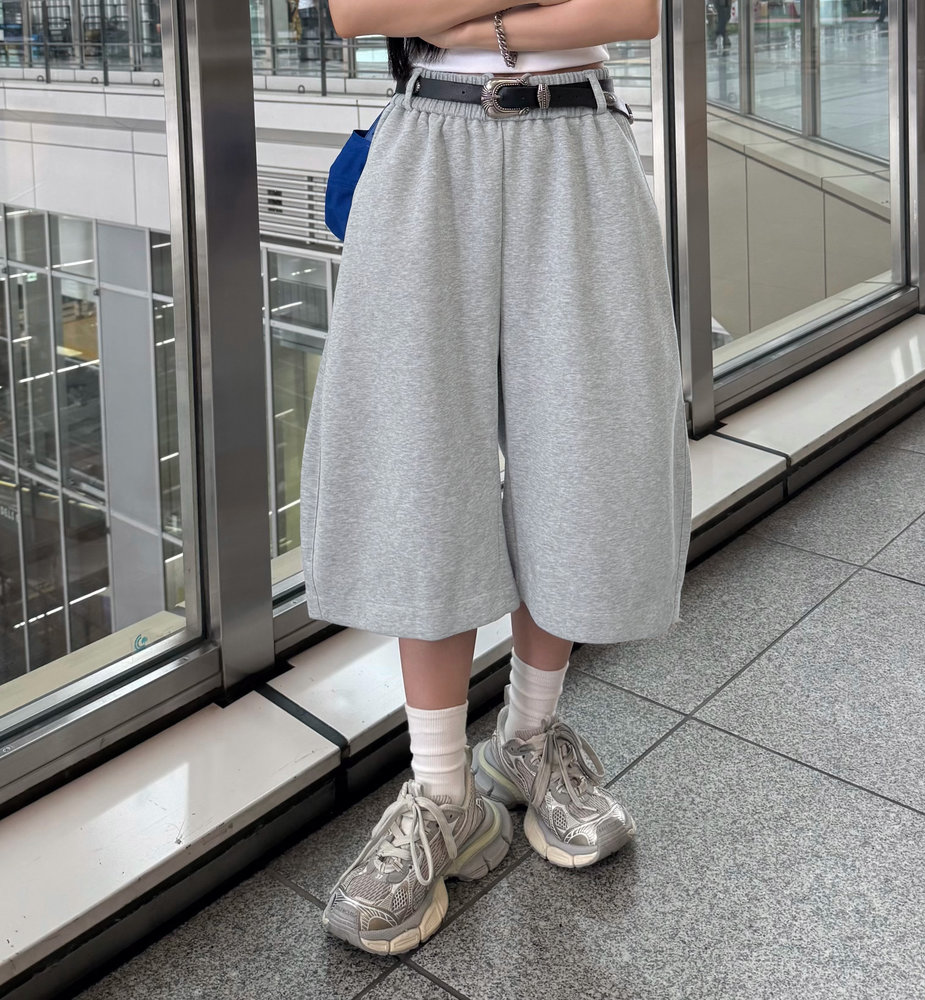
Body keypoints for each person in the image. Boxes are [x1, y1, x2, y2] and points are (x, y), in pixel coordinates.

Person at [300, 0, 692, 956]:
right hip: (425, 143)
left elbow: (632, 11)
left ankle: (529, 739)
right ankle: (444, 793)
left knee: (583, 455)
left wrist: (466, 24)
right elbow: (358, 11)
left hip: (579, 141)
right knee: (417, 461)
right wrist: (522, 20)